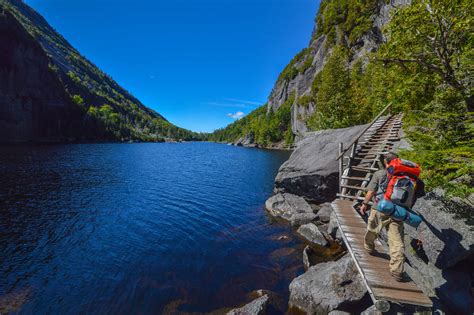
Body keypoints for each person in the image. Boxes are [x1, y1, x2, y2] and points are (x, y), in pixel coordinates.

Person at [359, 152, 425, 282]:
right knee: (396, 242)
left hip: (380, 208)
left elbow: (371, 191)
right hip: (399, 213)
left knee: (372, 230)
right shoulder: (414, 178)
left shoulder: (380, 174)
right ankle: (397, 271)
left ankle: (369, 247)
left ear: (385, 161)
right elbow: (418, 194)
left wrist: (364, 204)